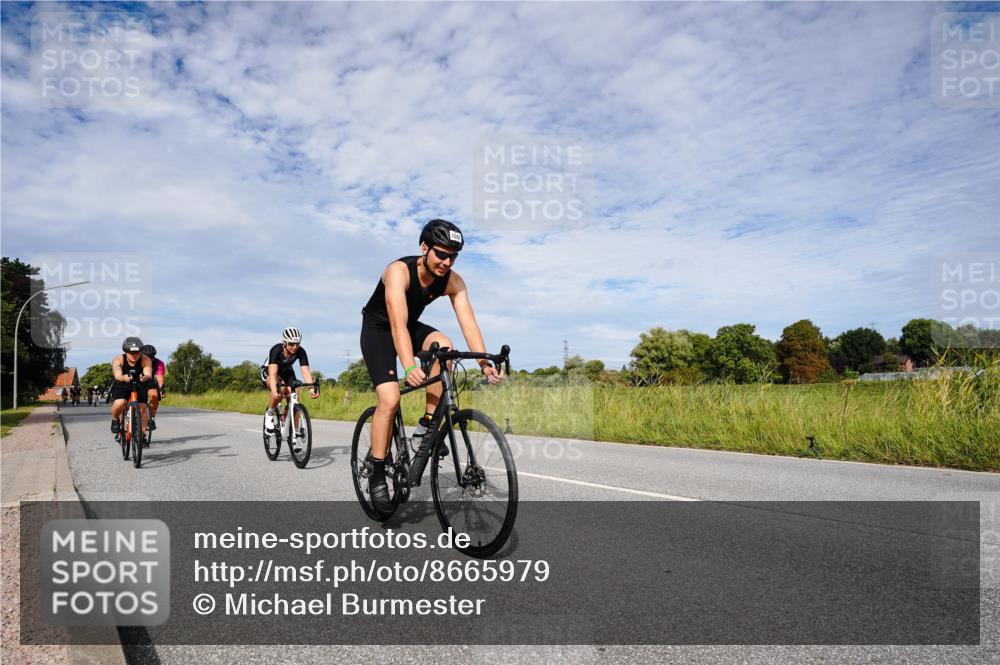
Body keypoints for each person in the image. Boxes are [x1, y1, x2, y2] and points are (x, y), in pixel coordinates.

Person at [359, 219, 503, 516]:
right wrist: (408, 364)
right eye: (441, 254)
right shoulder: (398, 272)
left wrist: (484, 363)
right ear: (424, 248)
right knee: (390, 398)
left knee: (445, 347)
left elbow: (468, 322)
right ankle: (375, 470)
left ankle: (426, 424)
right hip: (379, 329)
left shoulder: (453, 280)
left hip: (409, 327)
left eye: (453, 257)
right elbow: (397, 324)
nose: (446, 262)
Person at [261, 327, 318, 433]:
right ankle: (270, 413)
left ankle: (294, 432)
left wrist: (311, 389)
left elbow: (305, 371)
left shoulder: (301, 351)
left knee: (295, 396)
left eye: (297, 343)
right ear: (284, 342)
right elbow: (273, 374)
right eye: (291, 344)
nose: (295, 347)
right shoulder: (276, 349)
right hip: (270, 372)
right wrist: (274, 390)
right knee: (280, 388)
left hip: (287, 372)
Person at [109, 337, 152, 435]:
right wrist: (123, 377)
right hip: (122, 383)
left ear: (141, 352)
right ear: (125, 351)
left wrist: (144, 377)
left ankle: (142, 434)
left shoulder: (145, 359)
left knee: (143, 407)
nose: (134, 355)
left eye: (137, 352)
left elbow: (148, 373)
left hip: (139, 384)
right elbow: (117, 374)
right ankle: (115, 420)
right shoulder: (118, 359)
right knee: (120, 402)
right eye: (131, 352)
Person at [141, 344, 166, 431]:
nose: (150, 359)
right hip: (137, 381)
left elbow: (160, 377)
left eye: (152, 357)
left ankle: (151, 418)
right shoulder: (137, 361)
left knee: (154, 396)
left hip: (150, 382)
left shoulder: (159, 363)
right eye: (147, 357)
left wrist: (162, 388)